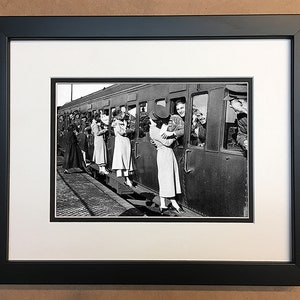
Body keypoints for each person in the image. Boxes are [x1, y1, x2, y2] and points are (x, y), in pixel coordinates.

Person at [149, 105, 182, 213]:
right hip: (164, 154)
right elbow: (167, 142)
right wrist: (175, 135)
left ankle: (163, 204)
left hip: (166, 154)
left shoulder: (157, 128)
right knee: (166, 178)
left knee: (165, 178)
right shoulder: (154, 130)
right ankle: (173, 202)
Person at [111, 107, 134, 187]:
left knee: (126, 159)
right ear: (118, 115)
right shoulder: (116, 123)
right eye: (121, 114)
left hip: (125, 142)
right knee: (123, 159)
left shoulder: (123, 122)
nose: (123, 115)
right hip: (121, 142)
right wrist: (130, 130)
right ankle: (127, 179)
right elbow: (121, 132)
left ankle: (127, 178)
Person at [223, 84, 248, 152]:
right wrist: (244, 142)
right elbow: (241, 135)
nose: (230, 106)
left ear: (240, 101)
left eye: (231, 102)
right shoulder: (241, 117)